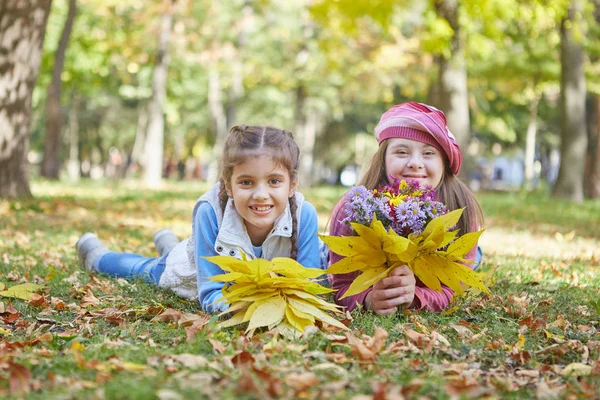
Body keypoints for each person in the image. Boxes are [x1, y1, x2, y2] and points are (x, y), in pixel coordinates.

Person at [76, 125, 322, 313]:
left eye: (274, 181)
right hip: (193, 274)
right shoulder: (209, 211)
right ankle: (98, 256)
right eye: (246, 182)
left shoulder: (304, 213)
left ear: (292, 185)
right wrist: (252, 312)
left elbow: (310, 283)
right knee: (148, 269)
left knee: (177, 251)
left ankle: (168, 242)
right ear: (227, 184)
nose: (260, 194)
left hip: (203, 258)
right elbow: (211, 294)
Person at [328, 102, 484, 315]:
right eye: (401, 152)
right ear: (383, 159)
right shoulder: (355, 207)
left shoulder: (460, 207)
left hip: (440, 262)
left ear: (444, 162)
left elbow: (455, 289)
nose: (415, 163)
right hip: (361, 260)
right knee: (323, 260)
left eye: (429, 153)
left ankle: (478, 254)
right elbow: (340, 283)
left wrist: (417, 297)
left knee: (473, 260)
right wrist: (367, 299)